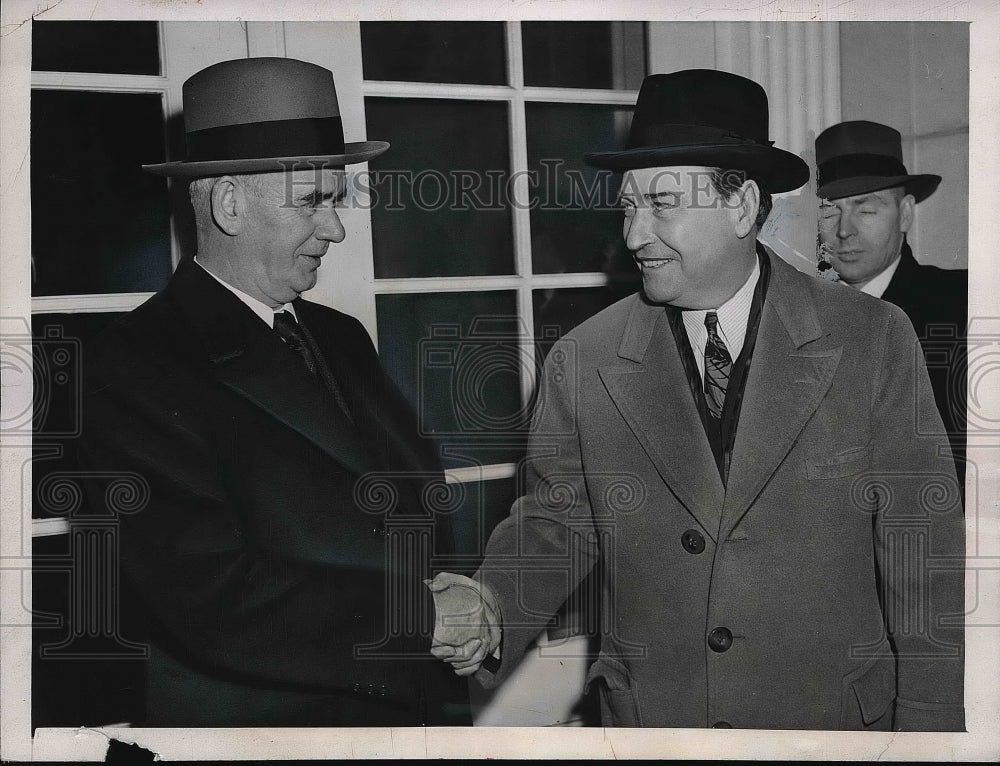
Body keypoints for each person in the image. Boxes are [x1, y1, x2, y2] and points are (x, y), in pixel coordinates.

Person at [426, 70, 965, 731]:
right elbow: (555, 524)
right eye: (627, 206)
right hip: (656, 725)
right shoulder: (582, 360)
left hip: (831, 729)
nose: (634, 235)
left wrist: (930, 732)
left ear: (740, 207)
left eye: (661, 204)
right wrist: (490, 602)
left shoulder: (874, 339)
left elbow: (922, 557)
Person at [78, 57, 468, 727]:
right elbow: (211, 598)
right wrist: (423, 615)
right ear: (230, 205)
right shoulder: (130, 366)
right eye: (312, 201)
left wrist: (460, 599)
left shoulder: (340, 337)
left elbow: (414, 501)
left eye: (335, 200)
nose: (336, 229)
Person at [815, 120, 968, 485]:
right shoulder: (793, 313)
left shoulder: (964, 304)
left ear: (905, 214)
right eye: (829, 210)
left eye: (865, 210)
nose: (843, 230)